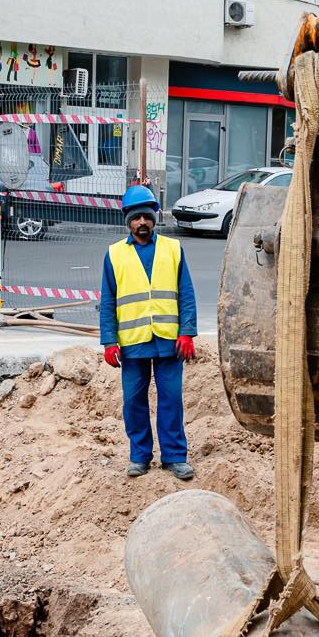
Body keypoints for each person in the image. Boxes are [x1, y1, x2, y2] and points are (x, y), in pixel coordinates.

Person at [99, 186, 198, 479]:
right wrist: (108, 340)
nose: (142, 222)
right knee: (133, 402)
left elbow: (186, 294)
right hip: (133, 344)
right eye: (136, 218)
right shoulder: (114, 255)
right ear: (128, 221)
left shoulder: (173, 249)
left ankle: (174, 457)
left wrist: (187, 332)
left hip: (169, 341)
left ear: (154, 218)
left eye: (146, 216)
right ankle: (140, 456)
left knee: (171, 399)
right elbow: (108, 301)